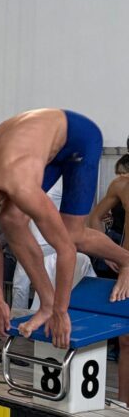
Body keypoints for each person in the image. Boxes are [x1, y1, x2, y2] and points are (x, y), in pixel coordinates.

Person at [0, 108, 129, 350]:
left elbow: (66, 250)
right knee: (12, 220)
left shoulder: (21, 186)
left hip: (79, 140)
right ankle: (44, 303)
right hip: (36, 146)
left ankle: (126, 261)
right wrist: (0, 302)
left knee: (71, 234)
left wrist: (60, 311)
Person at [87, 155, 129, 403]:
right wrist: (108, 250)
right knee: (125, 340)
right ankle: (124, 406)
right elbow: (94, 218)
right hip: (126, 267)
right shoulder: (121, 185)